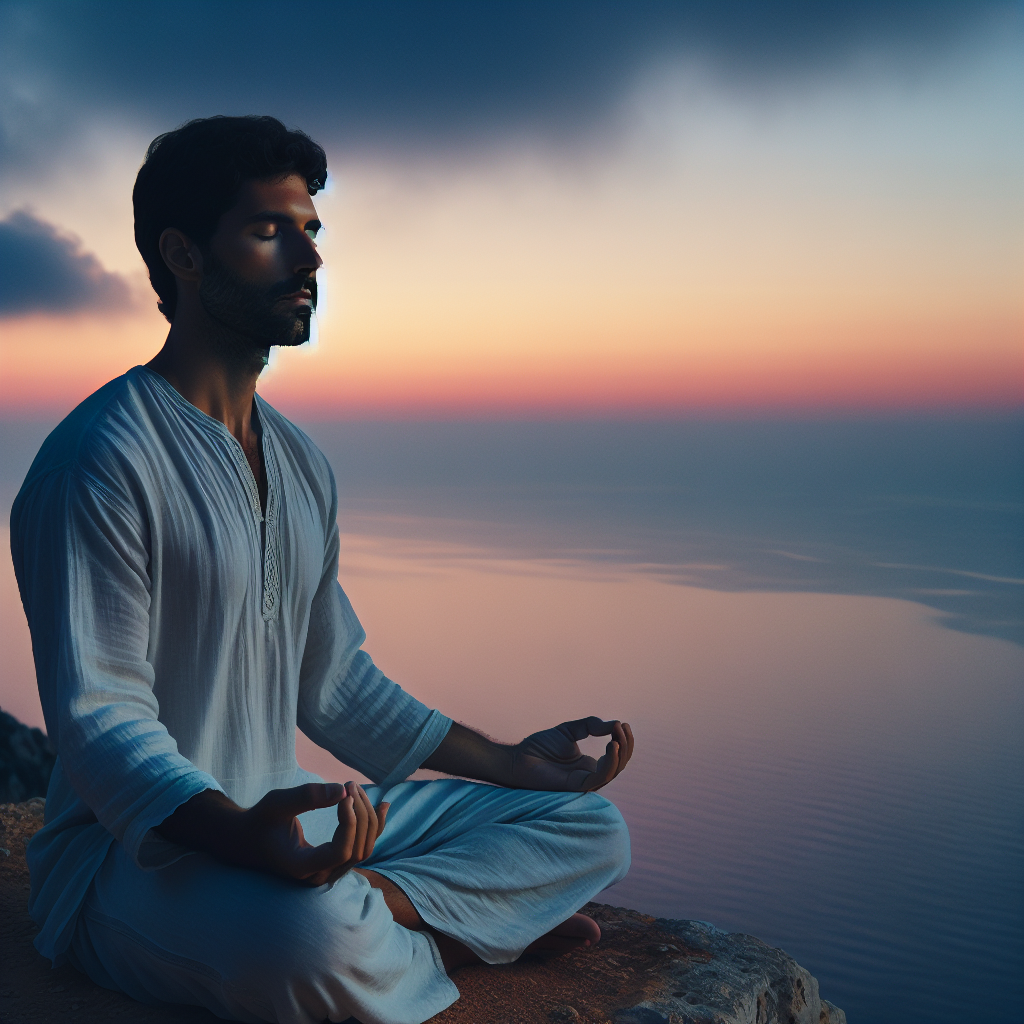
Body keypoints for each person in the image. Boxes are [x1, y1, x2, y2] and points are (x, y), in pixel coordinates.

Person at [10, 116, 633, 1024]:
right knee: (306, 944)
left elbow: (333, 680)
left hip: (282, 819)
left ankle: (389, 907)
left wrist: (508, 761)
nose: (309, 258)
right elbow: (100, 722)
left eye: (312, 231)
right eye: (271, 231)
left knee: (586, 825)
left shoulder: (300, 463)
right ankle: (443, 926)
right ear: (182, 253)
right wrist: (242, 839)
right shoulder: (99, 460)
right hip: (137, 855)